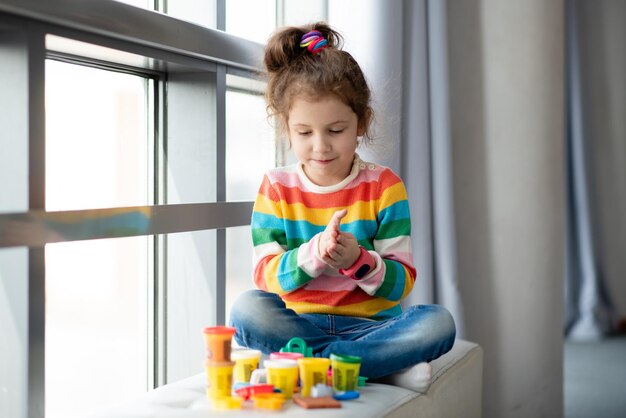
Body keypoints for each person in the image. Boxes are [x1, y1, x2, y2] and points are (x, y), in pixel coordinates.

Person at [229, 22, 455, 387]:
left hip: (373, 326)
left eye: (336, 130)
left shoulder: (384, 186)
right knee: (246, 309)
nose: (320, 146)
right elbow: (267, 278)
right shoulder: (276, 186)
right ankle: (371, 367)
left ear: (361, 122)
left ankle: (308, 365)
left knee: (438, 322)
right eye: (304, 133)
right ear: (286, 127)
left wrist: (358, 262)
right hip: (301, 324)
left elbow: (400, 285)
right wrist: (313, 255)